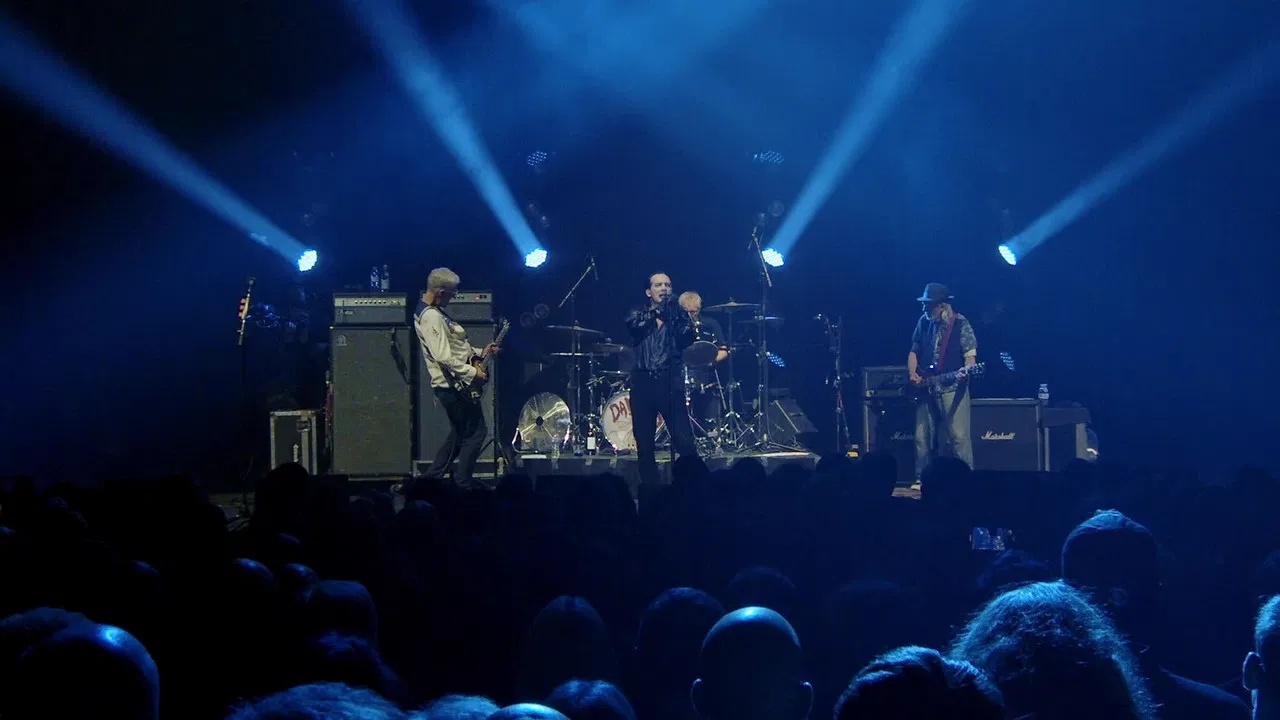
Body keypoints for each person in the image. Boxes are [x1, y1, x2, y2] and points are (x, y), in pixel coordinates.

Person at [412, 267, 499, 492]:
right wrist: (473, 373)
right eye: (451, 293)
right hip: (451, 387)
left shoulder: (435, 311)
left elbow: (455, 348)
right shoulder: (431, 316)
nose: (453, 297)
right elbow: (443, 356)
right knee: (476, 432)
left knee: (459, 434)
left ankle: (429, 481)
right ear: (440, 292)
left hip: (452, 385)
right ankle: (462, 483)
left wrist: (480, 353)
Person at [625, 273, 699, 489]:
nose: (664, 288)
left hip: (669, 382)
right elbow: (634, 326)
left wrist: (677, 314)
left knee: (684, 440)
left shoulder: (678, 316)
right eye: (659, 285)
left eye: (668, 285)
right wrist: (658, 312)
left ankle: (691, 488)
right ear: (649, 291)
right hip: (643, 383)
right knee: (645, 443)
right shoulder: (637, 312)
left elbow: (688, 338)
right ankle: (651, 491)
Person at [907, 282, 977, 482]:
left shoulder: (961, 323)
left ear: (942, 305)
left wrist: (966, 370)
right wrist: (913, 372)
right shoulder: (923, 322)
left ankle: (967, 480)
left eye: (928, 304)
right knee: (921, 437)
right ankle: (922, 479)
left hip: (952, 387)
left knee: (958, 437)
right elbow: (914, 350)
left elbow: (970, 357)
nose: (924, 308)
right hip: (926, 387)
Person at [678, 291, 730, 435]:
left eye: (693, 312)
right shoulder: (676, 327)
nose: (690, 315)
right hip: (682, 373)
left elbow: (724, 350)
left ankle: (708, 430)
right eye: (686, 312)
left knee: (706, 403)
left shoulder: (710, 324)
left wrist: (710, 360)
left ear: (699, 309)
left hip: (707, 374)